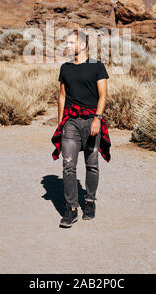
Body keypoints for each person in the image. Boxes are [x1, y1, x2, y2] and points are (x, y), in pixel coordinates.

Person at [51, 28, 111, 228]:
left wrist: (98, 118)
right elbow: (62, 97)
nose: (67, 46)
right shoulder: (65, 68)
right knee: (68, 165)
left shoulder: (97, 67)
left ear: (83, 44)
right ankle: (71, 208)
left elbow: (103, 95)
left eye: (70, 42)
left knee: (92, 164)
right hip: (71, 122)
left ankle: (90, 201)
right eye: (67, 43)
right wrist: (61, 123)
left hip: (92, 121)